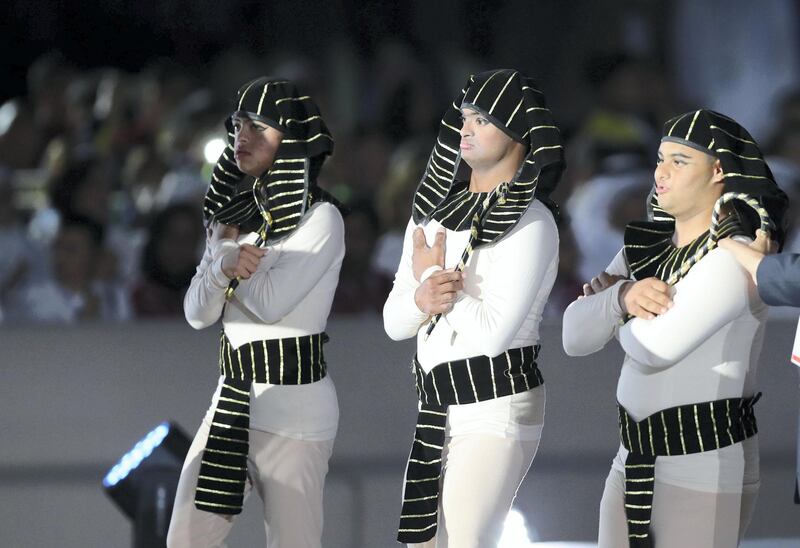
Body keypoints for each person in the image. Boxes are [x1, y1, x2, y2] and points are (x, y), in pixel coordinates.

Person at [562, 109, 788, 547]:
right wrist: (624, 297)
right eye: (661, 158)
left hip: (705, 459)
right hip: (631, 456)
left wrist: (612, 303)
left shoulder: (734, 255)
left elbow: (656, 345)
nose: (660, 172)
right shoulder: (645, 249)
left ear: (719, 170)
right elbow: (574, 336)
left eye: (679, 161)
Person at [383, 68, 565, 547]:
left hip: (496, 404)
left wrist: (429, 281)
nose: (466, 128)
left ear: (519, 134)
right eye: (464, 116)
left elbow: (491, 337)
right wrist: (423, 296)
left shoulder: (533, 220)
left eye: (482, 119)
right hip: (434, 407)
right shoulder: (431, 213)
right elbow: (393, 322)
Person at [167, 77, 345, 548]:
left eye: (261, 127)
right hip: (230, 402)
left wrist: (225, 257)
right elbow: (196, 313)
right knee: (184, 541)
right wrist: (225, 256)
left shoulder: (322, 219)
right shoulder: (234, 214)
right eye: (239, 124)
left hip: (296, 414)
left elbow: (269, 305)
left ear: (292, 142)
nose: (242, 136)